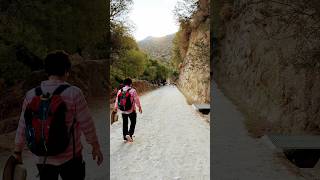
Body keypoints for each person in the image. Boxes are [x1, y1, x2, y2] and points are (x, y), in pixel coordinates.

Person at [13, 50, 103, 180]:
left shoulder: (31, 94)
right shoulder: (74, 93)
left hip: (42, 156)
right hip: (71, 156)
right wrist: (95, 146)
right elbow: (87, 123)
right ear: (67, 71)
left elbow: (23, 126)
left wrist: (17, 151)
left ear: (47, 71)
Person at [114, 78, 142, 142]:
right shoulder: (133, 90)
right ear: (130, 84)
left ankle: (125, 137)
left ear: (124, 84)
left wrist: (115, 107)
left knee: (125, 123)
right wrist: (139, 107)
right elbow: (136, 99)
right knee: (133, 122)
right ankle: (130, 134)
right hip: (131, 110)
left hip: (123, 110)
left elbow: (117, 100)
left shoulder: (120, 91)